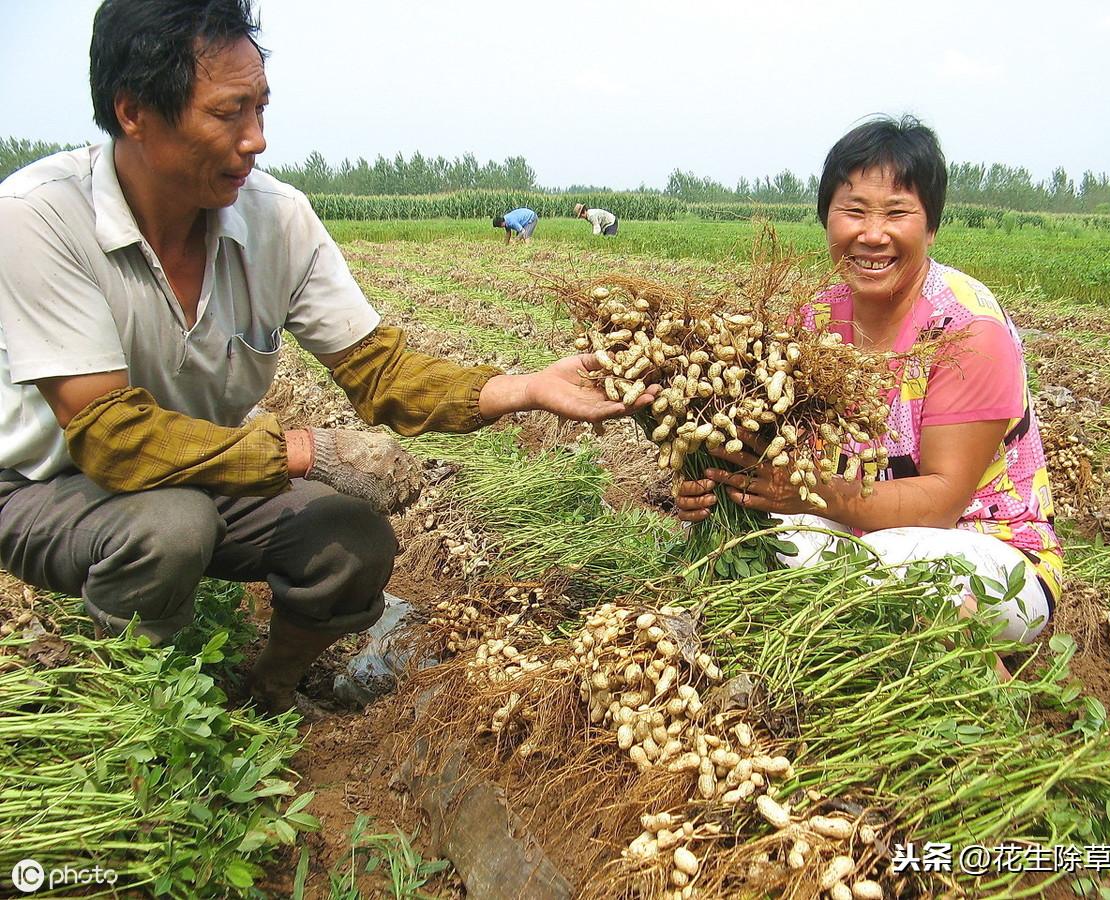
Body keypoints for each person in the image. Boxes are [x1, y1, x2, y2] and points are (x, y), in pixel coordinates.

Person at [0, 0, 655, 716]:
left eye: (261, 109)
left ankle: (269, 691)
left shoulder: (276, 220)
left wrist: (526, 386)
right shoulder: (41, 218)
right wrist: (306, 450)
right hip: (51, 484)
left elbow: (384, 375)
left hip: (207, 468)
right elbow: (113, 438)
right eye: (228, 113)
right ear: (134, 112)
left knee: (351, 538)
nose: (256, 140)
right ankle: (140, 717)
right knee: (172, 527)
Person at [675, 116, 1061, 656]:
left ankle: (983, 691)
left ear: (930, 227)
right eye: (854, 210)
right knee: (740, 546)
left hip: (982, 551)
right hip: (859, 531)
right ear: (827, 219)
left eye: (897, 213)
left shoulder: (969, 333)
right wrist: (713, 485)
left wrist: (814, 494)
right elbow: (780, 455)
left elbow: (942, 503)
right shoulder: (811, 320)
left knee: (912, 584)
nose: (872, 234)